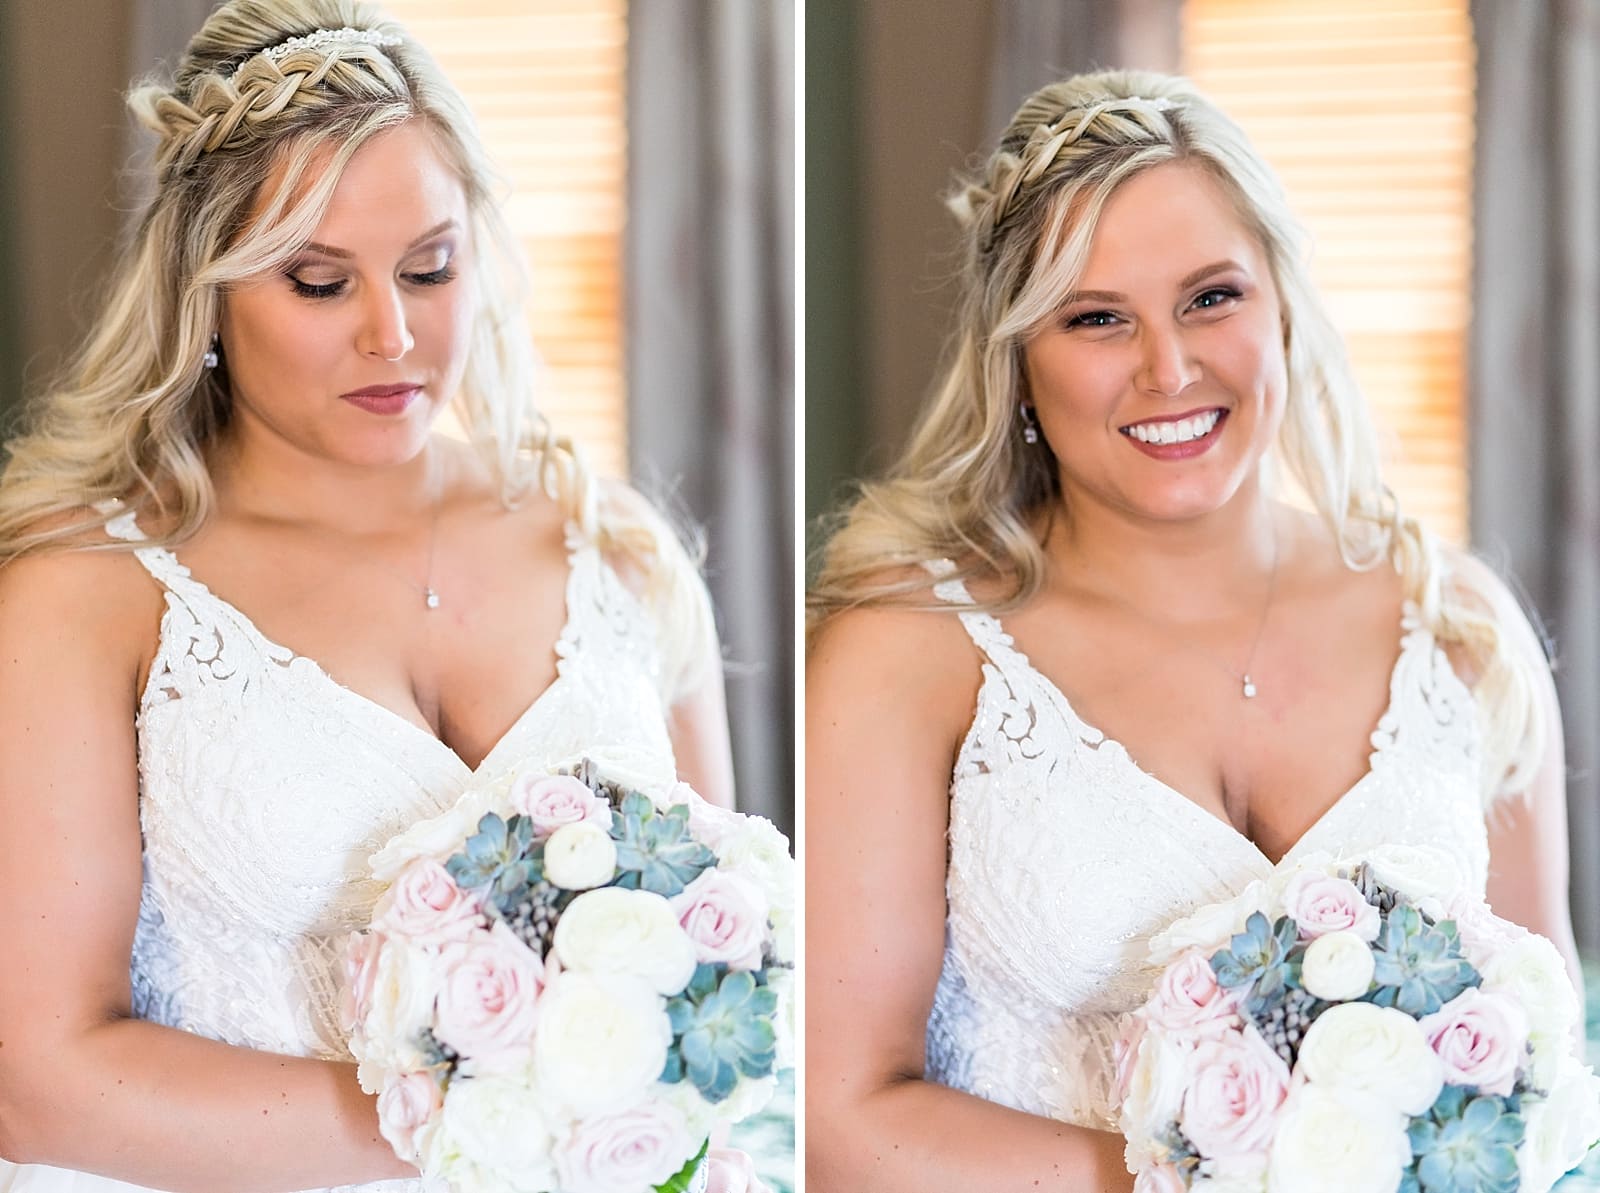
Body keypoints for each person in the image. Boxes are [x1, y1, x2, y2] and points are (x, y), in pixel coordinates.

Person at [0, 2, 762, 1190]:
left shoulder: (617, 552)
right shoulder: (86, 591)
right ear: (207, 292)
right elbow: (35, 1076)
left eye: (429, 268)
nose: (394, 334)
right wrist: (503, 1115)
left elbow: (740, 984)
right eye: (318, 282)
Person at [806, 68, 1583, 1192]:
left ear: (1280, 304)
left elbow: (1543, 1070)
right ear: (1019, 358)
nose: (1167, 368)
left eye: (1210, 297)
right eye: (1096, 318)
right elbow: (838, 1114)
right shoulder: (905, 652)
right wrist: (1209, 1174)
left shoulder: (1459, 632)